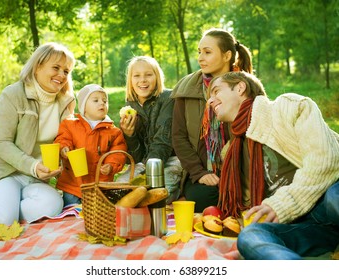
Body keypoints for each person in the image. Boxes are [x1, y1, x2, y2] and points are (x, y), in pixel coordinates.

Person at [207, 71, 339, 259]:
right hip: (304, 225)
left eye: (216, 91)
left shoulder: (289, 107)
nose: (210, 101)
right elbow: (248, 204)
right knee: (250, 236)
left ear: (240, 87)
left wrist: (282, 205)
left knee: (336, 198)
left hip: (328, 198)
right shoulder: (230, 153)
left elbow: (325, 162)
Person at [0, 42, 76, 231]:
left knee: (53, 206)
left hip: (36, 178)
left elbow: (67, 139)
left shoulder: (65, 102)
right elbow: (0, 143)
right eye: (56, 68)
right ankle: (0, 214)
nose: (62, 75)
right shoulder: (13, 94)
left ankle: (4, 209)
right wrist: (33, 166)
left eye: (66, 71)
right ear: (38, 66)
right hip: (5, 172)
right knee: (2, 224)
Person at [171, 28, 253, 212]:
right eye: (199, 52)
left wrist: (234, 173)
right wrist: (199, 173)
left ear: (227, 56)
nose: (201, 58)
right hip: (202, 171)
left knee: (247, 193)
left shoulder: (245, 88)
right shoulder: (186, 89)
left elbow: (255, 134)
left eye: (207, 52)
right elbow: (178, 136)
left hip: (240, 168)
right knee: (203, 198)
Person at [117, 56, 181, 204]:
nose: (142, 80)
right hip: (143, 163)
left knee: (157, 196)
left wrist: (146, 174)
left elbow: (163, 142)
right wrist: (129, 135)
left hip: (169, 160)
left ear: (157, 77)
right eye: (137, 76)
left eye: (148, 74)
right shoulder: (131, 105)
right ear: (130, 80)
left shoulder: (168, 99)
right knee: (120, 188)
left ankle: (178, 189)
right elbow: (135, 157)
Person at [54, 84, 127, 206]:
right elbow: (63, 138)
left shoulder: (114, 132)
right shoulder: (70, 125)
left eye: (105, 101)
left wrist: (111, 165)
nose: (102, 103)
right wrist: (64, 148)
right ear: (84, 107)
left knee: (98, 214)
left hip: (100, 186)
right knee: (71, 212)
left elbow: (118, 151)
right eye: (96, 100)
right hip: (73, 185)